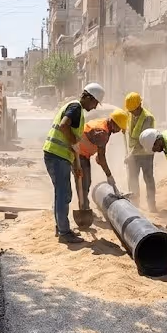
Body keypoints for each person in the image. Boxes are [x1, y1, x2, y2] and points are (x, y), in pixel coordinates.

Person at [42, 82, 105, 243]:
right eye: (95, 102)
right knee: (64, 194)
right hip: (57, 155)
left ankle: (61, 227)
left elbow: (70, 135)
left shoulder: (77, 109)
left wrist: (76, 165)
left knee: (62, 193)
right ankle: (64, 232)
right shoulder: (76, 108)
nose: (95, 107)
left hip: (58, 155)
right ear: (88, 97)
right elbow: (64, 126)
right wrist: (74, 143)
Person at [76, 108, 129, 209]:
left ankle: (84, 207)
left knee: (86, 182)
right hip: (78, 154)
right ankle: (84, 209)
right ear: (114, 124)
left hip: (82, 153)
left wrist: (99, 157)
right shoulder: (102, 132)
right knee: (84, 182)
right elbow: (101, 157)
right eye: (119, 128)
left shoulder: (104, 124)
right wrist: (109, 175)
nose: (119, 131)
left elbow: (99, 153)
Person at [125, 92, 157, 212]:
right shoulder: (131, 115)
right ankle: (134, 204)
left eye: (133, 110)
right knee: (132, 178)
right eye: (130, 111)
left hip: (146, 153)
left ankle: (151, 205)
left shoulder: (147, 118)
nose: (131, 112)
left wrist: (130, 155)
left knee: (148, 178)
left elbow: (143, 140)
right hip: (134, 153)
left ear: (139, 106)